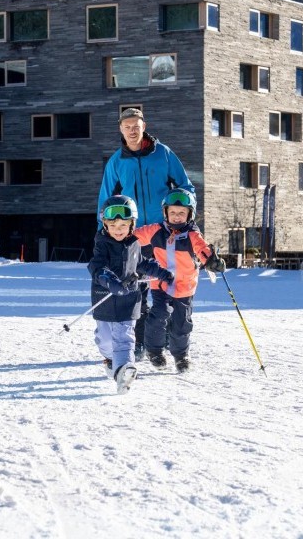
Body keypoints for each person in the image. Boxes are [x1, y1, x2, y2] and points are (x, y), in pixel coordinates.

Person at [97, 108, 194, 361]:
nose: (132, 130)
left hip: (163, 235)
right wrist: (103, 233)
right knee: (134, 290)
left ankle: (169, 338)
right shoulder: (116, 161)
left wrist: (183, 214)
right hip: (133, 237)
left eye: (136, 126)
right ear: (121, 129)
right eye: (127, 126)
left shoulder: (163, 154)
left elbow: (185, 187)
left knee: (167, 286)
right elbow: (105, 199)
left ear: (144, 126)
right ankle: (139, 341)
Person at [133, 188, 226, 373]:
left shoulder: (192, 234)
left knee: (181, 323)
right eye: (173, 212)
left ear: (190, 214)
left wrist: (212, 261)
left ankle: (181, 355)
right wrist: (118, 239)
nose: (177, 217)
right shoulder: (156, 231)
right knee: (159, 315)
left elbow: (202, 249)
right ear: (165, 212)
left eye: (182, 213)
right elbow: (133, 237)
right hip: (161, 284)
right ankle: (155, 351)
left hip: (185, 286)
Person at [88, 195, 174, 394]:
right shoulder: (102, 244)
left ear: (132, 224)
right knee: (105, 339)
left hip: (129, 299)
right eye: (113, 225)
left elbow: (142, 263)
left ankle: (124, 370)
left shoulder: (134, 244)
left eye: (123, 225)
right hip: (105, 299)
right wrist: (110, 281)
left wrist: (162, 273)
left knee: (124, 336)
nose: (118, 229)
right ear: (105, 225)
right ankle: (111, 360)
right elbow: (96, 267)